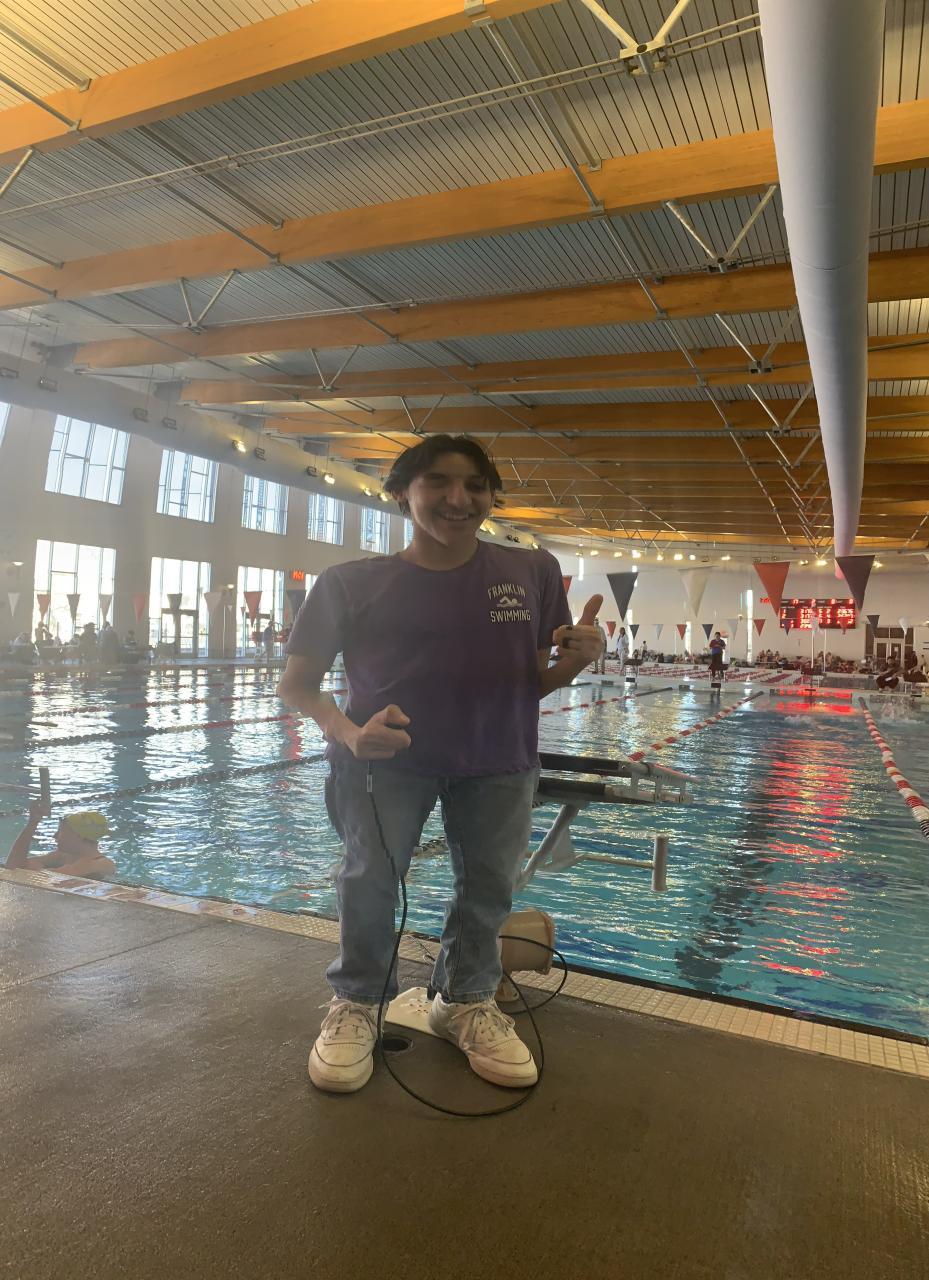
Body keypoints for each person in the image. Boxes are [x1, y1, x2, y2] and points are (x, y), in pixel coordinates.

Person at [277, 434, 603, 1095]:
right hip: (386, 763)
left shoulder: (533, 570)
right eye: (438, 482)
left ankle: (464, 1000)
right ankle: (359, 1002)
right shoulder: (349, 583)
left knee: (488, 888)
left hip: (498, 758)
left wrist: (576, 660)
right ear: (402, 492)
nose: (459, 499)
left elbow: (527, 681)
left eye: (476, 485)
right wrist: (348, 733)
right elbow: (297, 685)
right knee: (370, 881)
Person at [5, 804, 115, 879]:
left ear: (79, 836)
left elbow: (46, 879)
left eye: (60, 832)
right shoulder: (62, 857)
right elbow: (13, 865)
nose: (55, 836)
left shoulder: (100, 864)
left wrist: (34, 868)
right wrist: (33, 822)